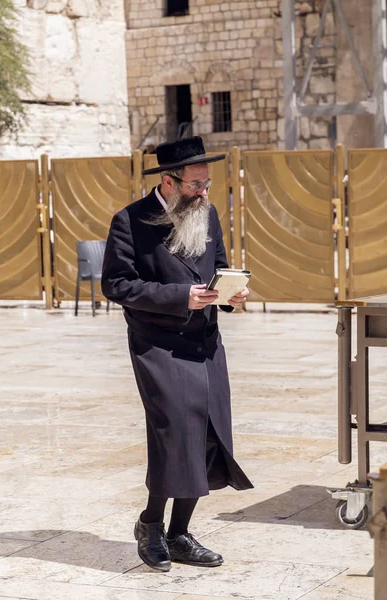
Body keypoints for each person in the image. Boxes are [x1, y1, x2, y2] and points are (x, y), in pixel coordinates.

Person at [101, 136, 253, 573]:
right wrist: (180, 296)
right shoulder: (129, 221)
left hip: (205, 342)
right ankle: (151, 524)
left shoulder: (207, 212)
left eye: (206, 184)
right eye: (195, 185)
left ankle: (180, 533)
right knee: (174, 434)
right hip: (158, 344)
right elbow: (117, 285)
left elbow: (220, 264)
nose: (203, 192)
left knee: (207, 433)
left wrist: (230, 293)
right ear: (168, 181)